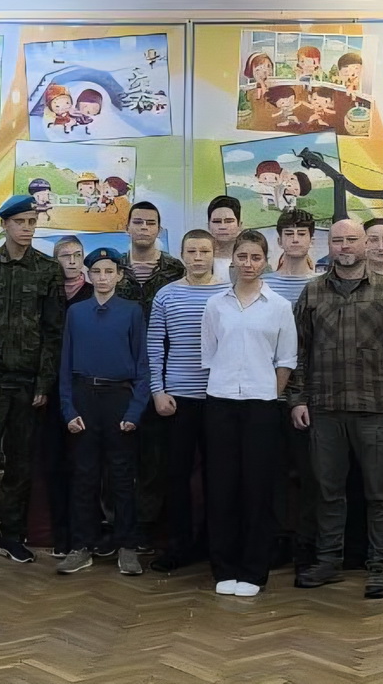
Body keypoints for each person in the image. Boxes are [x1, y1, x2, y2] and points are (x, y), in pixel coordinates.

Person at [289, 219, 383, 599]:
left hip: (375, 410)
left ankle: (379, 567)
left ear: (364, 244)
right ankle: (329, 561)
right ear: (328, 246)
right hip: (325, 409)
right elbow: (298, 350)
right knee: (327, 492)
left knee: (380, 494)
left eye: (351, 240)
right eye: (337, 240)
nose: (344, 246)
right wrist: (297, 398)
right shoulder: (312, 292)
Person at [0, 196, 65, 567]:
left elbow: (53, 331)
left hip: (27, 381)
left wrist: (43, 383)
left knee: (20, 463)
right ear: (4, 225)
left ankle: (12, 536)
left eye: (32, 222)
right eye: (20, 222)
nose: (27, 228)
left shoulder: (48, 270)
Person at [201, 230, 298, 597]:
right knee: (221, 488)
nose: (248, 263)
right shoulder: (215, 305)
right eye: (242, 256)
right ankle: (224, 567)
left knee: (258, 489)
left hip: (262, 406)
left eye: (255, 257)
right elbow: (209, 354)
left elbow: (286, 360)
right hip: (220, 403)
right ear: (233, 260)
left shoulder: (279, 306)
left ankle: (254, 570)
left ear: (265, 261)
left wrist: (268, 394)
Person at [57, 248, 149, 577]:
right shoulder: (76, 312)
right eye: (96, 272)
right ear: (89, 275)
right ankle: (81, 546)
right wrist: (68, 408)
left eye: (109, 271)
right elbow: (65, 364)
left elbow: (142, 365)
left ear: (120, 276)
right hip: (84, 397)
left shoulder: (132, 311)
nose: (103, 277)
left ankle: (127, 546)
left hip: (119, 397)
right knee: (84, 476)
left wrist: (135, 410)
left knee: (122, 477)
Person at [147, 229, 229, 573]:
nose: (198, 258)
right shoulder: (166, 295)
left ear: (214, 254)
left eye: (204, 251)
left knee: (219, 476)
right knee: (176, 476)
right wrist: (158, 390)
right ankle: (178, 545)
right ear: (182, 255)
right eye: (191, 251)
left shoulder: (228, 293)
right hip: (177, 398)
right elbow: (155, 344)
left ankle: (215, 545)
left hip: (219, 397)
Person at [117, 201, 185, 551]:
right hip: (119, 376)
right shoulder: (111, 267)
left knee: (155, 458)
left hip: (163, 376)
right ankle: (118, 526)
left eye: (151, 223)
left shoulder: (175, 269)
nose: (144, 228)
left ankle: (147, 528)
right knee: (119, 456)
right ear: (127, 227)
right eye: (138, 222)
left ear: (159, 229)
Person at [263, 210, 321, 576]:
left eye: (302, 233)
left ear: (312, 239)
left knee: (310, 474)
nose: (296, 239)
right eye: (289, 233)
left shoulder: (322, 284)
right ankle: (277, 540)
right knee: (273, 473)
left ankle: (307, 543)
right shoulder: (264, 284)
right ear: (279, 240)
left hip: (310, 397)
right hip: (268, 394)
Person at [41, 235, 92, 558]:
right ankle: (61, 534)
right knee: (55, 462)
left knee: (84, 464)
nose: (72, 261)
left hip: (85, 387)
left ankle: (85, 534)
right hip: (50, 388)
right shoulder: (47, 293)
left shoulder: (94, 293)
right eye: (65, 256)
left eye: (77, 255)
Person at [207, 195, 243, 281]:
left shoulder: (251, 258)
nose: (222, 227)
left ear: (240, 225)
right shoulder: (200, 258)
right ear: (208, 225)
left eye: (229, 221)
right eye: (216, 221)